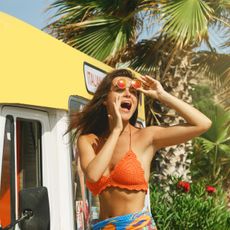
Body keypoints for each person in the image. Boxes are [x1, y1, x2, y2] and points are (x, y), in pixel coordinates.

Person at [68, 69, 212, 229]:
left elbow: (203, 124)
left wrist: (162, 95)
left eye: (134, 91)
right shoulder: (88, 140)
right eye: (120, 89)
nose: (128, 94)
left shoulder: (147, 137)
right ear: (104, 99)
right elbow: (93, 175)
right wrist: (115, 131)